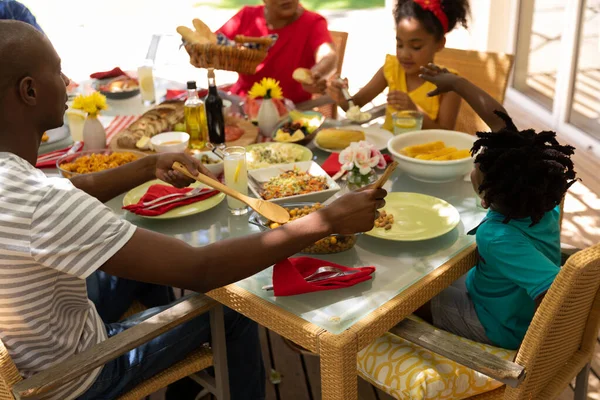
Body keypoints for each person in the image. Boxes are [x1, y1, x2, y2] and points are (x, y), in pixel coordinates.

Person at [0, 21, 387, 400]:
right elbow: (201, 270)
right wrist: (325, 220)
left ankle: (187, 363)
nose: (68, 81)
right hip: (70, 377)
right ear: (29, 91)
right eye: (58, 70)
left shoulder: (18, 182)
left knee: (143, 263)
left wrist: (146, 166)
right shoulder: (41, 203)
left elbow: (75, 187)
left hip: (33, 344)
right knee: (234, 307)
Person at [409, 64, 578, 350]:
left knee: (410, 300)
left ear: (485, 199)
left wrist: (534, 354)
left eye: (478, 167)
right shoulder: (542, 204)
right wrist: (457, 82)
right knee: (430, 276)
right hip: (497, 296)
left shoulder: (496, 236)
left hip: (499, 325)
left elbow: (553, 294)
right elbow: (500, 122)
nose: (476, 166)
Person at [329, 0, 469, 132]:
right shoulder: (392, 68)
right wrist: (343, 97)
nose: (404, 54)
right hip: (387, 153)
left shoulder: (449, 85)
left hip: (427, 155)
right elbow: (355, 105)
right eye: (399, 45)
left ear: (439, 44)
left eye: (416, 47)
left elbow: (446, 135)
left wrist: (415, 112)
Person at [217, 0, 337, 104]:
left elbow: (328, 55)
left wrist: (317, 74)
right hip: (242, 104)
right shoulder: (247, 15)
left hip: (290, 112)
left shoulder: (313, 22)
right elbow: (211, 42)